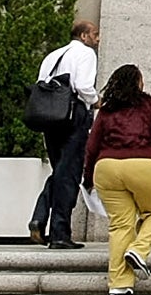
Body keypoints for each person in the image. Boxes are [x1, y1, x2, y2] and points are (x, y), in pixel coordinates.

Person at [83, 64, 151, 295]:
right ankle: (138, 249)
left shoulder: (107, 110)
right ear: (139, 84)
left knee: (120, 225)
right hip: (145, 164)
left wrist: (88, 177)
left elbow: (92, 145)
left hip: (107, 168)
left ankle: (119, 284)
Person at [28, 20, 100, 249]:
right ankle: (60, 233)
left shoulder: (53, 56)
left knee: (60, 170)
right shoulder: (86, 54)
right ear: (83, 36)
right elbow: (83, 86)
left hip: (50, 117)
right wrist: (96, 101)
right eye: (95, 34)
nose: (97, 39)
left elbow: (42, 83)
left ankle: (39, 217)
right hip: (73, 117)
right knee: (68, 175)